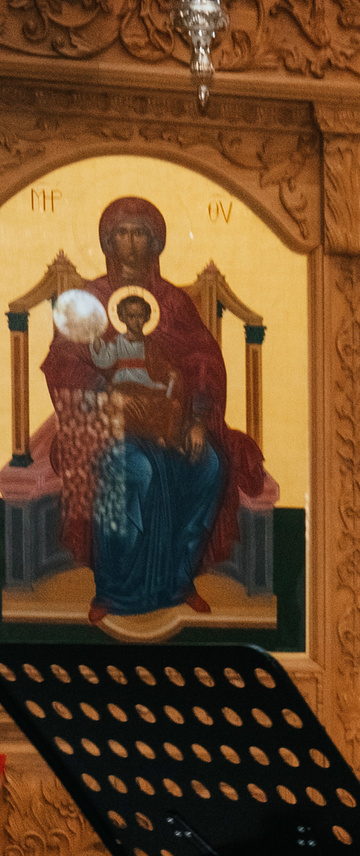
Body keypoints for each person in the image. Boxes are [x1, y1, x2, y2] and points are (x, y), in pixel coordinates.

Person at [39, 196, 265, 625]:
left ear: (155, 241)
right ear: (107, 239)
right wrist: (104, 391)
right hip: (105, 423)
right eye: (121, 232)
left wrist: (197, 418)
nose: (130, 242)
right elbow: (65, 359)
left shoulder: (174, 303)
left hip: (169, 420)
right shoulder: (89, 298)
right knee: (132, 471)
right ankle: (111, 589)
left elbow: (203, 359)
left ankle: (179, 579)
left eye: (140, 232)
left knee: (210, 466)